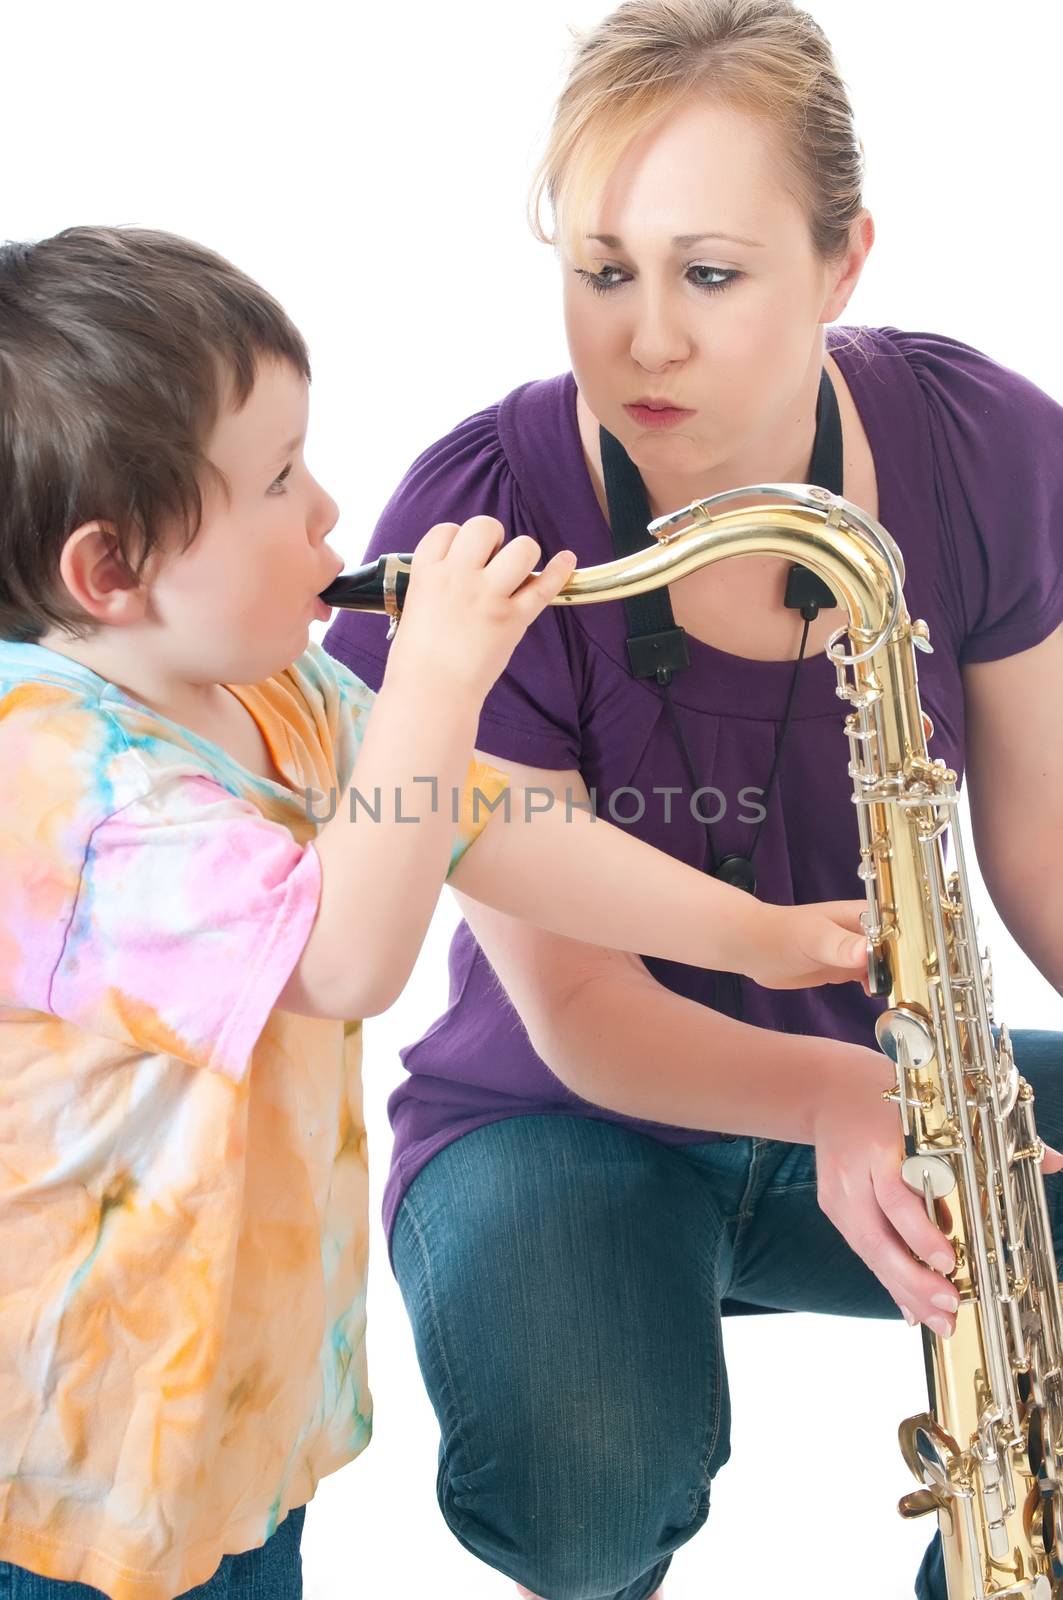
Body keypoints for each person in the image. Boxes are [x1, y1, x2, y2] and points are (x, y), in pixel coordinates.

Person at [0, 226, 868, 1600]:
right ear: (111, 572)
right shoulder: (52, 778)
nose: (330, 515)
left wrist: (759, 936)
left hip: (221, 1426)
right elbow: (345, 958)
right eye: (278, 483)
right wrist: (437, 675)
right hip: (65, 1467)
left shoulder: (267, 686)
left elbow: (478, 821)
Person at [322, 3, 1063, 1597]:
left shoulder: (983, 443)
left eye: (710, 274)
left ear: (844, 262)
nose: (644, 339)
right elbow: (581, 1008)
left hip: (897, 1087)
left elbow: (1048, 853)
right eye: (604, 272)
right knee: (584, 1487)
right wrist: (831, 1100)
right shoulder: (480, 521)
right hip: (565, 1121)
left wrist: (883, 1094)